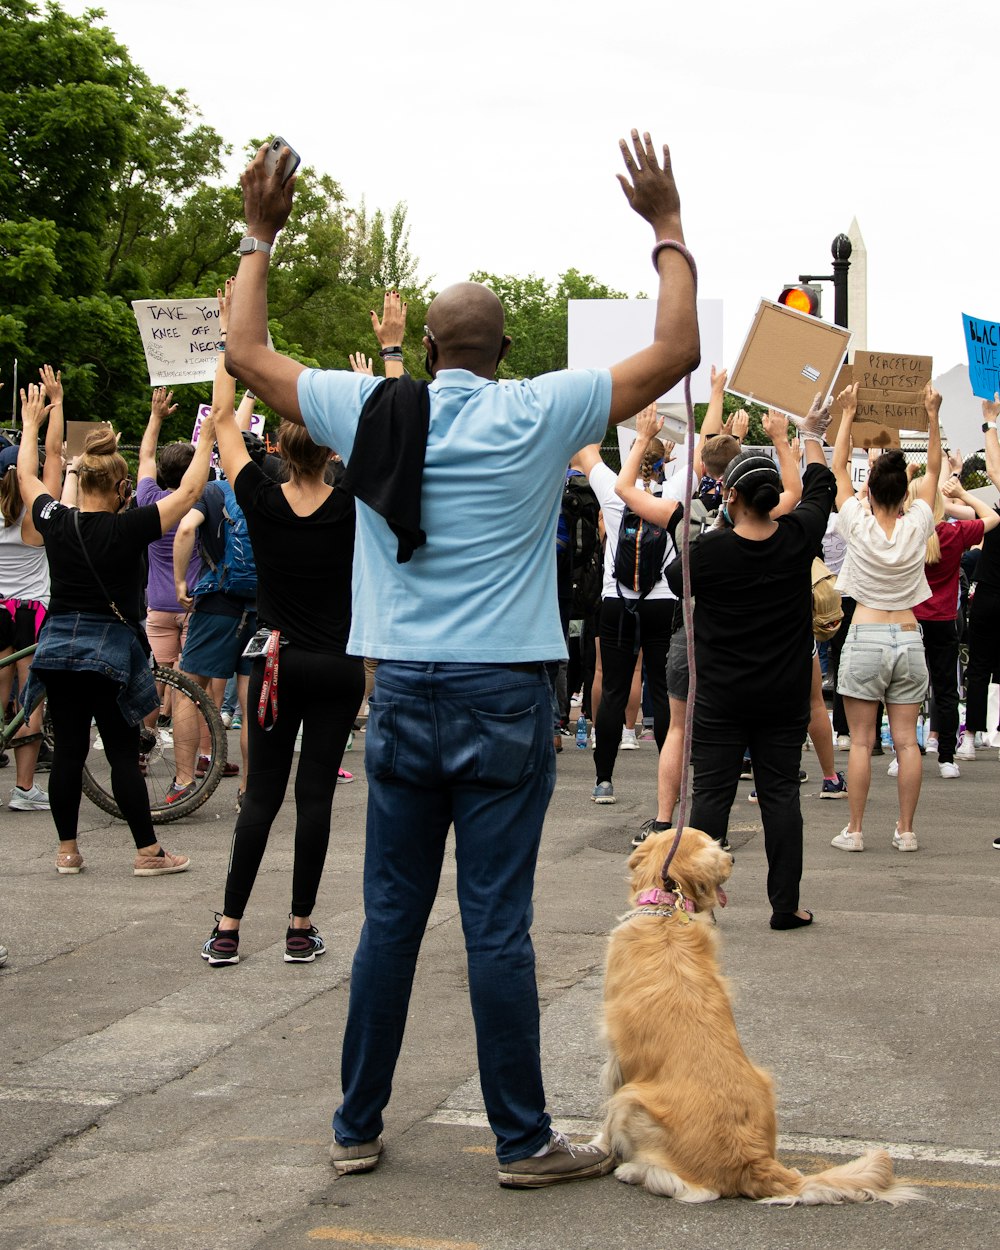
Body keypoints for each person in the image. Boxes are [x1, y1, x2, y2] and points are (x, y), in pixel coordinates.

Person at [224, 130, 699, 1186]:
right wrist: (665, 226)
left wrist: (260, 230)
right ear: (505, 344)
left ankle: (355, 1122)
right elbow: (672, 352)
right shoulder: (540, 412)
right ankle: (521, 1138)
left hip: (397, 689)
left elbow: (248, 355)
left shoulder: (371, 409)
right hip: (507, 691)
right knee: (497, 922)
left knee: (390, 914)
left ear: (429, 350)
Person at [200, 291, 386, 966]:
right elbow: (387, 442)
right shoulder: (352, 507)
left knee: (260, 798)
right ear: (331, 448)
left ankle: (227, 927)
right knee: (315, 800)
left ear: (275, 445)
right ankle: (300, 927)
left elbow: (222, 421)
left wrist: (230, 339)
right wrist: (377, 368)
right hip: (336, 663)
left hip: (273, 661)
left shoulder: (259, 499)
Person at [16, 380, 215, 875]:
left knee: (68, 754)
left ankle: (67, 852)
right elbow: (190, 490)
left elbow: (25, 476)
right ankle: (147, 852)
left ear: (80, 482)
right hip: (109, 653)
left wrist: (30, 425)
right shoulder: (131, 526)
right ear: (122, 488)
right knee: (123, 753)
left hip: (58, 647)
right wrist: (210, 434)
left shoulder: (57, 521)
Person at [660, 404, 834, 930]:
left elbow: (674, 576)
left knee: (711, 796)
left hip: (721, 696)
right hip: (782, 696)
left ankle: (695, 902)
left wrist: (716, 516)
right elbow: (819, 486)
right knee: (781, 795)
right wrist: (803, 436)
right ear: (772, 499)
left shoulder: (706, 555)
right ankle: (786, 906)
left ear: (730, 496)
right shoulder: (798, 539)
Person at [829, 382, 941, 853]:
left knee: (859, 742)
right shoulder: (918, 522)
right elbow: (933, 469)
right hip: (909, 636)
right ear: (906, 493)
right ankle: (906, 829)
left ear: (870, 489)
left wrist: (849, 415)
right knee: (907, 743)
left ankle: (855, 831)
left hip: (866, 633)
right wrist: (933, 417)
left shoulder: (856, 517)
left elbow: (836, 468)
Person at [572, 407, 675, 805]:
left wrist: (599, 410)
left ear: (631, 452)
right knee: (665, 692)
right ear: (664, 459)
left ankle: (604, 780)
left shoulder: (614, 493)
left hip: (618, 602)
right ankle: (670, 784)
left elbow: (587, 452)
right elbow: (707, 450)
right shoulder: (674, 494)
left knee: (613, 690)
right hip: (663, 602)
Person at [0, 365, 63, 810]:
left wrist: (25, 423)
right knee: (29, 701)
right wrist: (53, 408)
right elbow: (56, 455)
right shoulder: (36, 519)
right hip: (32, 615)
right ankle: (25, 789)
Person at [909, 477, 998, 775]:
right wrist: (960, 495)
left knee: (906, 690)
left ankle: (903, 753)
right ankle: (946, 757)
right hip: (943, 621)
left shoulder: (904, 531)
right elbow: (992, 517)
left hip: (911, 620)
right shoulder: (953, 533)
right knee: (946, 689)